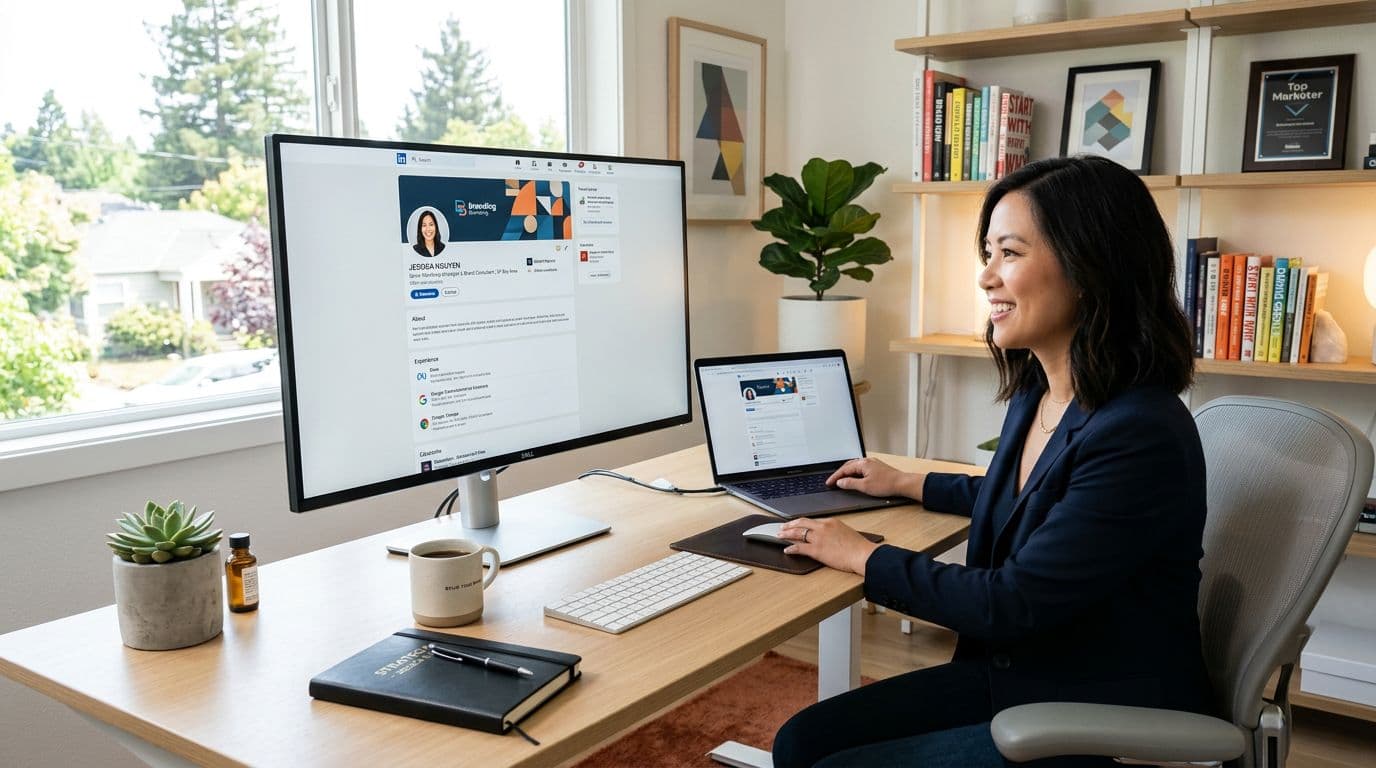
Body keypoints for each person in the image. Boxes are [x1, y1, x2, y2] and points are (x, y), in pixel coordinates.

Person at [771, 155, 1209, 768]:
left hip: (1095, 703)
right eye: (988, 254)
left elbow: (1011, 602)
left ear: (1090, 266)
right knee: (800, 743)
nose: (986, 278)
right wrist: (910, 482)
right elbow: (1030, 501)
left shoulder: (1139, 433)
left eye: (1009, 252)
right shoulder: (1041, 390)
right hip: (1021, 674)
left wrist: (861, 555)